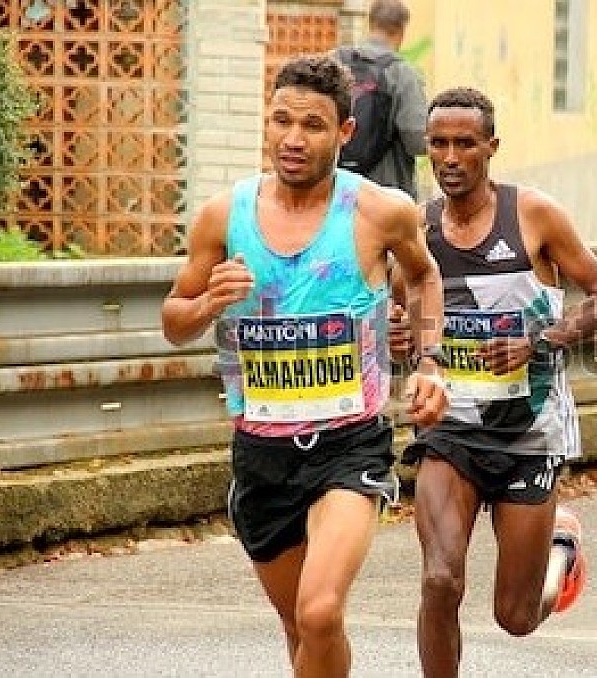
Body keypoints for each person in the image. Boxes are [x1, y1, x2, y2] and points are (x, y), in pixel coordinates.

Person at [160, 53, 448, 678]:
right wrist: (207, 303)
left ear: (345, 132)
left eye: (313, 125)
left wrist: (429, 361)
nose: (293, 138)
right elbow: (174, 319)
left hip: (349, 444)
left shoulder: (380, 211)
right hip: (261, 452)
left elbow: (424, 276)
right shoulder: (223, 216)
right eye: (281, 121)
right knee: (300, 625)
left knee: (319, 612)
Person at [392, 86, 597, 678]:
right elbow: (399, 308)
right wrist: (397, 335)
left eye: (465, 144)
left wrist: (540, 340)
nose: (450, 157)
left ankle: (560, 552)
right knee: (440, 580)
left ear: (491, 146)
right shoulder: (417, 225)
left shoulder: (534, 215)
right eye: (438, 144)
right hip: (450, 429)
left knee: (516, 617)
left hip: (529, 431)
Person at [336, 0, 427, 199]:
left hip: (336, 189)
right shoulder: (402, 73)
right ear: (401, 30)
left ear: (370, 23)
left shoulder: (335, 61)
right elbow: (417, 141)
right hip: (385, 193)